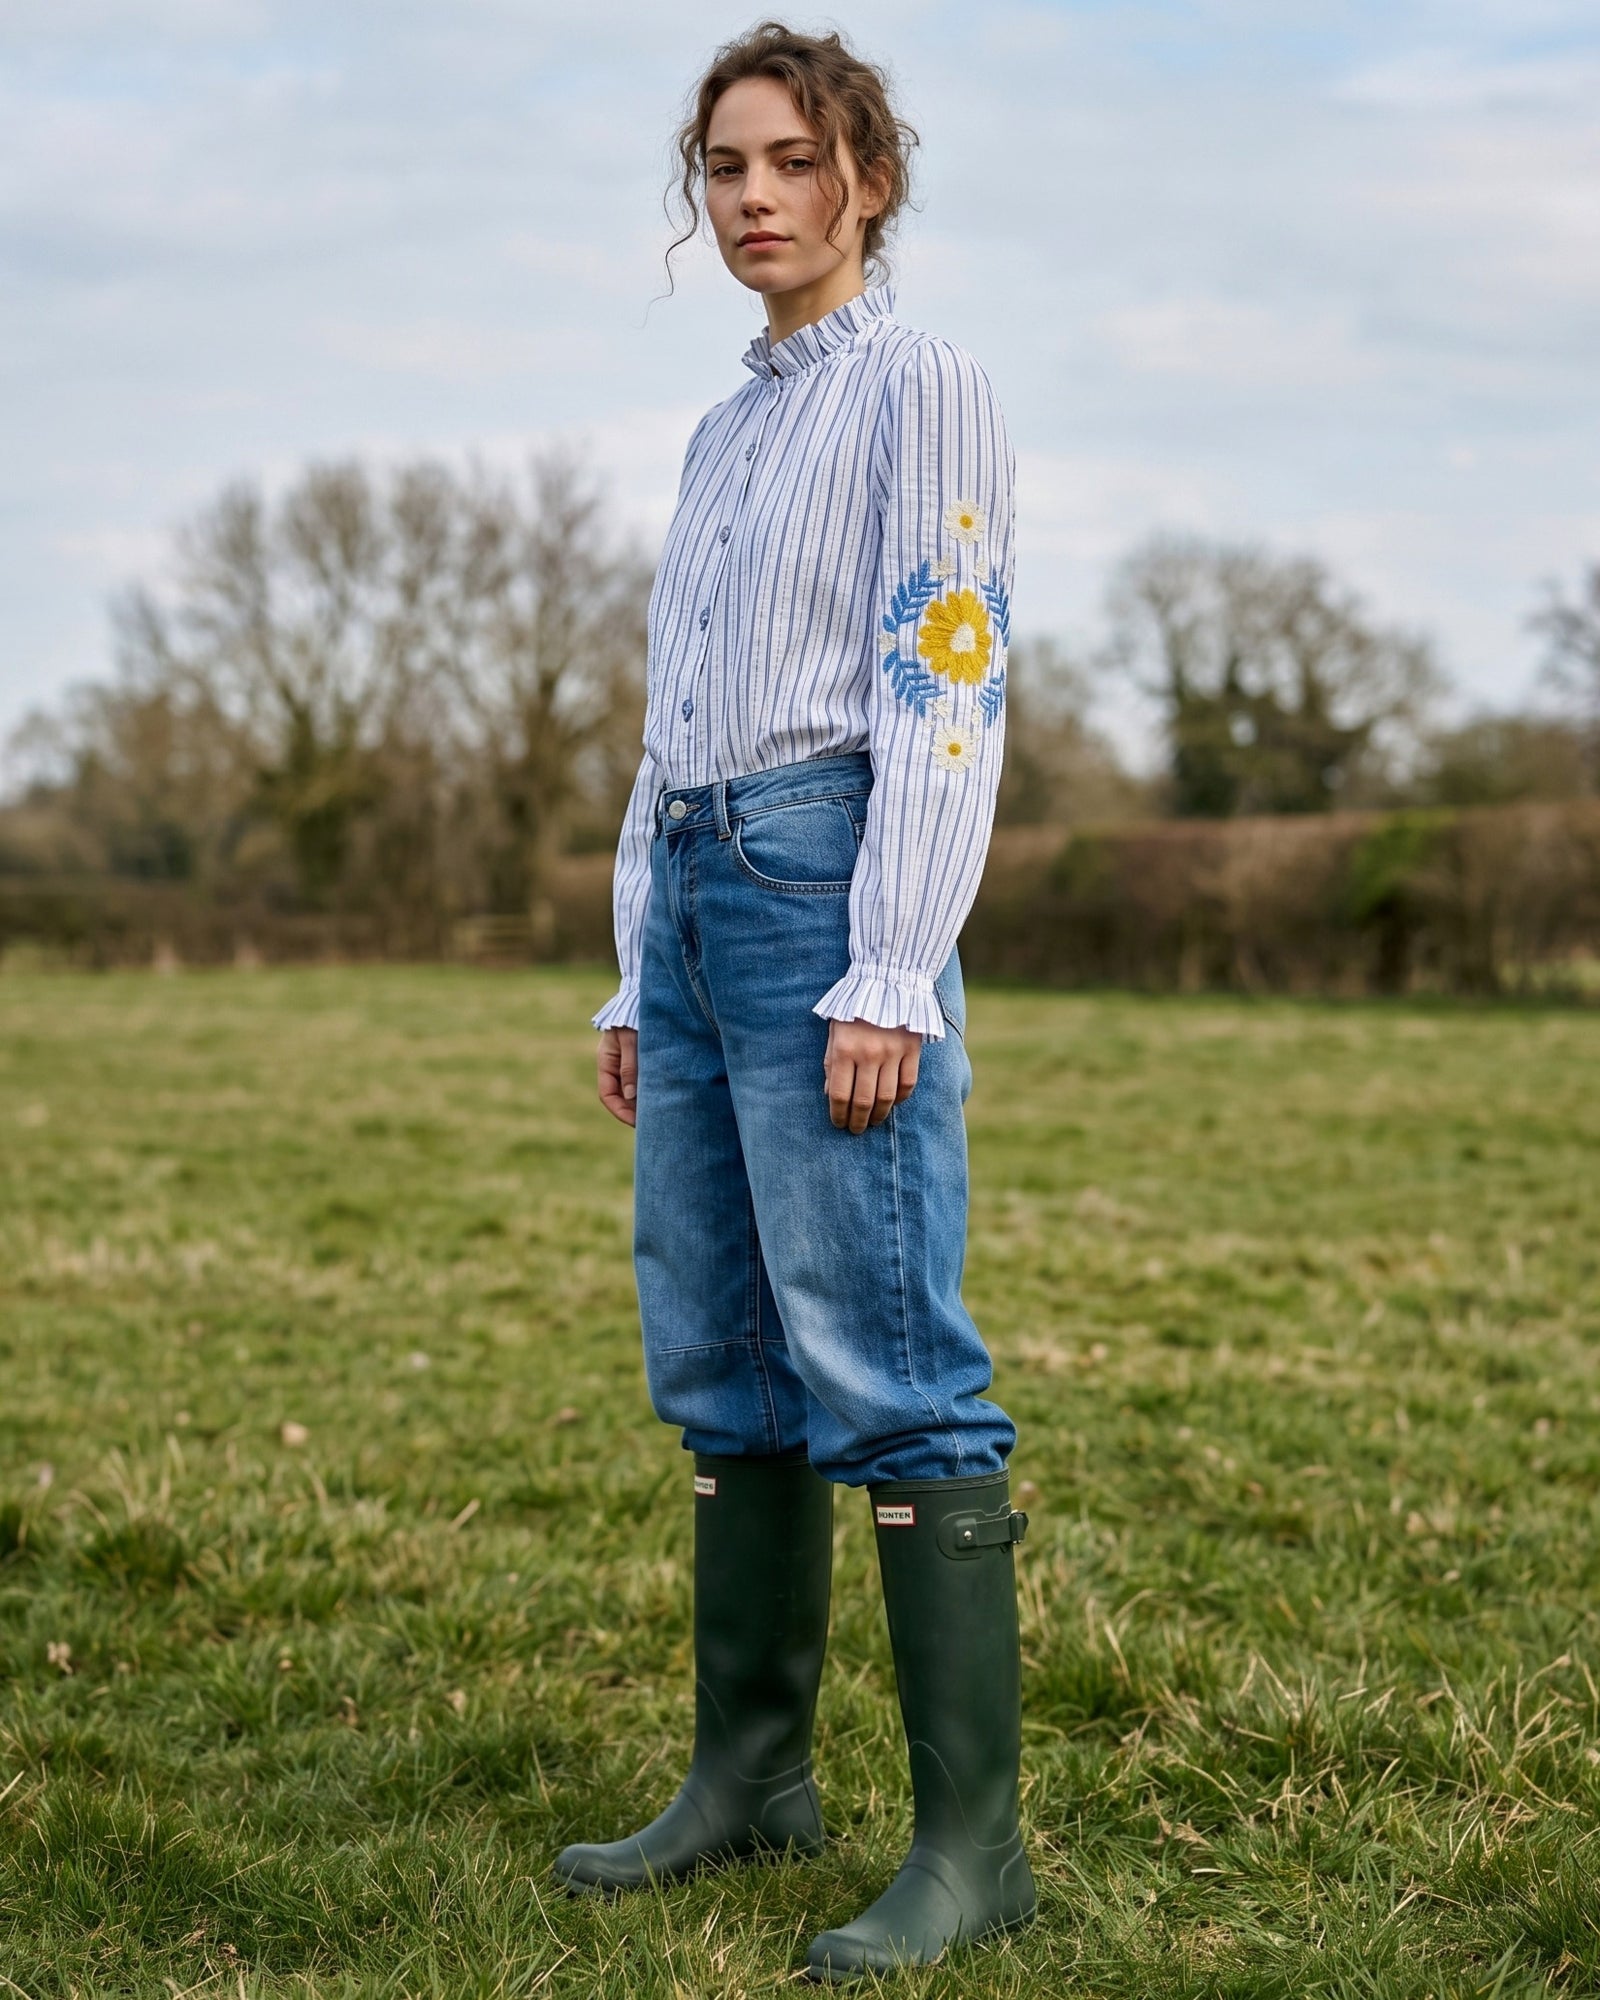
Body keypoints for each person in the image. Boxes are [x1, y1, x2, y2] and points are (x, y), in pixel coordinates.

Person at [553, 21, 1034, 1982]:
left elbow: (947, 673)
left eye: (785, 162)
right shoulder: (726, 425)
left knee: (882, 1355)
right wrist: (623, 953)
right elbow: (678, 720)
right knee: (724, 1358)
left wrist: (889, 959)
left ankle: (969, 1847)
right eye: (721, 169)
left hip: (829, 886)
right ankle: (747, 1776)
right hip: (689, 901)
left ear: (866, 181)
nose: (749, 198)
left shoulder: (921, 385)